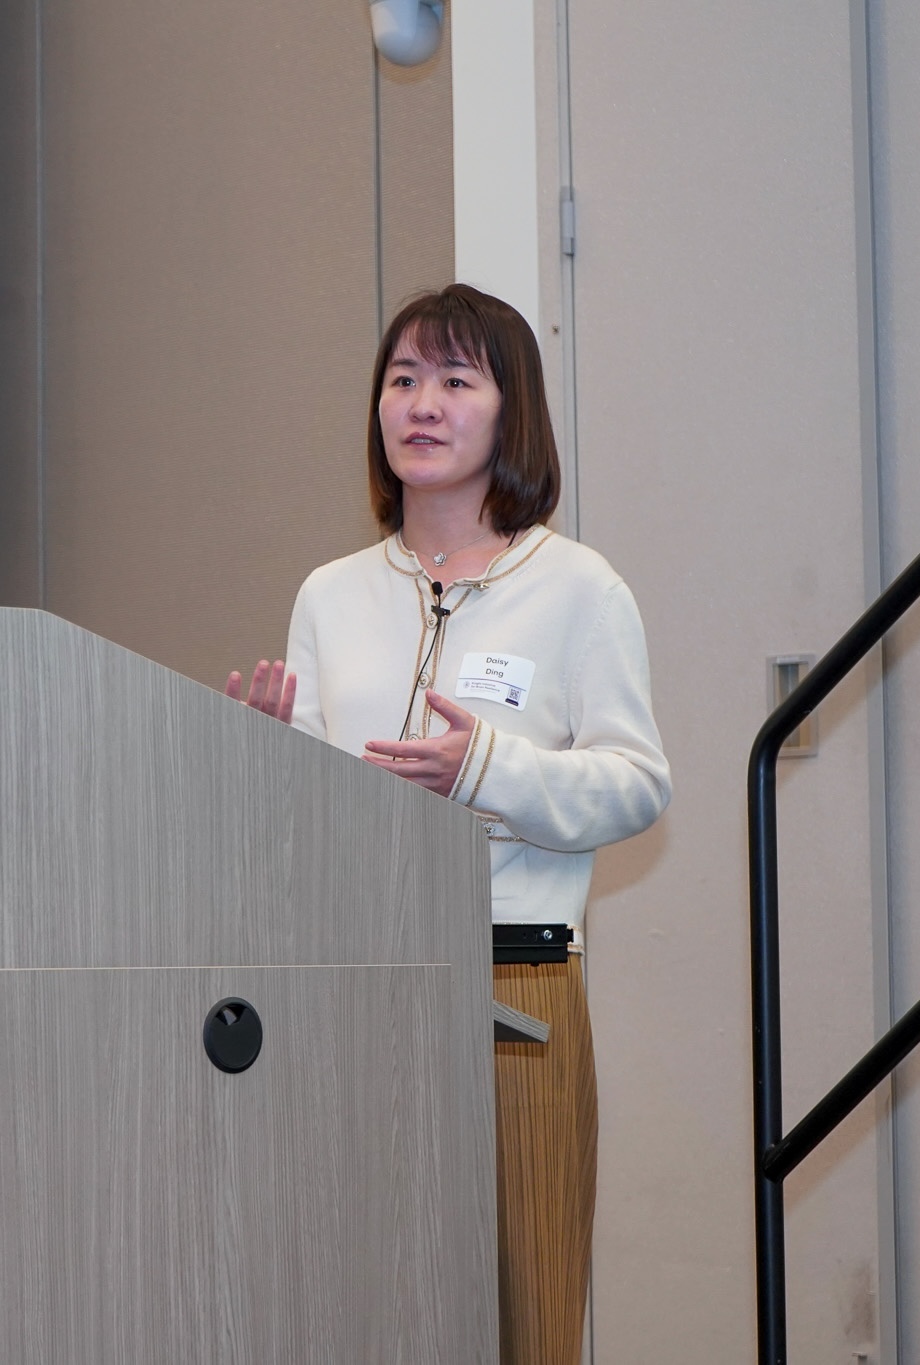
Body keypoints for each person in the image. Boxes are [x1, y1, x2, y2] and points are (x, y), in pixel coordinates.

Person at [226, 283, 670, 1365]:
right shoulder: (330, 593)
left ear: (509, 410)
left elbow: (635, 784)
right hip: (355, 990)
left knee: (523, 1318)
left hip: (515, 988)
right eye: (402, 379)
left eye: (455, 380)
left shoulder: (577, 588)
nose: (420, 404)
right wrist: (259, 763)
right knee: (361, 1316)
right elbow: (309, 823)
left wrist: (488, 769)